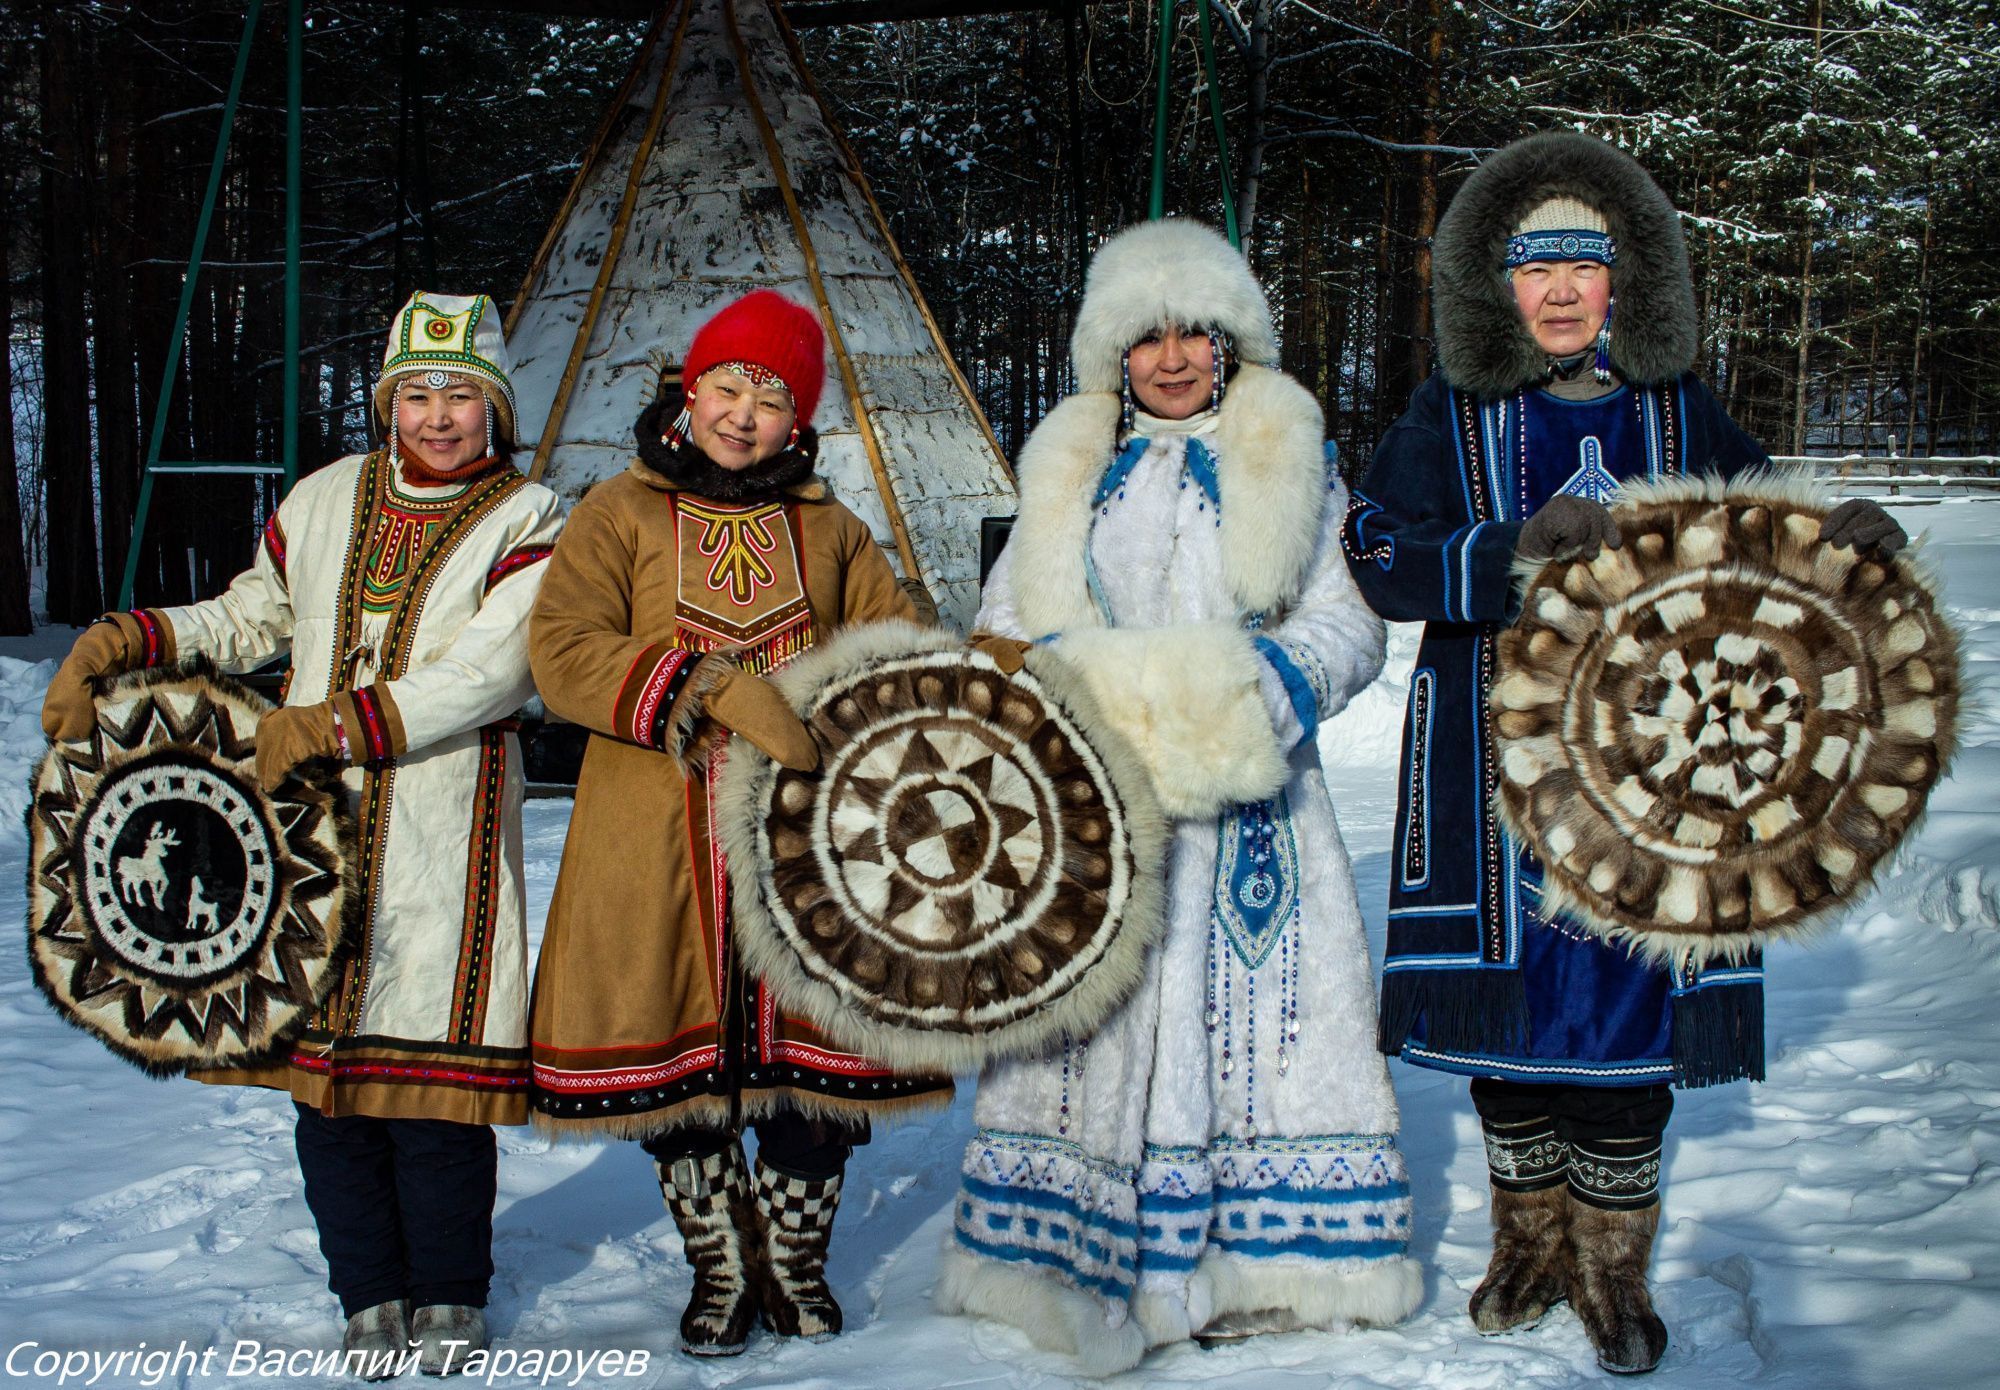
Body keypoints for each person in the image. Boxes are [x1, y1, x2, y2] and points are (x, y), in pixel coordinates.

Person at [1342, 131, 1906, 1374]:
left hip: (1652, 788)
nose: (1554, 291)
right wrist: (1500, 553)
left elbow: (1766, 538)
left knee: (1623, 1032)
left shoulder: (1677, 408)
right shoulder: (1451, 412)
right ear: (1497, 286)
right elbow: (1377, 550)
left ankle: (1611, 1274)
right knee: (1515, 1034)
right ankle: (1524, 1247)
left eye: (1580, 268)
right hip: (1490, 780)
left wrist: (1839, 543)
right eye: (1533, 267)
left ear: (1622, 285)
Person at [40, 292, 564, 1375]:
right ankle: (367, 1291)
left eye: (460, 394)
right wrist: (129, 635)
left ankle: (451, 1295)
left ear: (495, 410)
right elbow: (252, 615)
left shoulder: (532, 520)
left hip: (440, 827)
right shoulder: (324, 500)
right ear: (386, 402)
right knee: (326, 1091)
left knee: (430, 1088)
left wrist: (337, 720)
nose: (436, 416)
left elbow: (492, 669)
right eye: (415, 393)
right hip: (310, 834)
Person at [934, 219, 1419, 1374]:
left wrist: (1256, 691)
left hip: (1250, 806)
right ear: (1113, 350)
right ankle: (1067, 1259)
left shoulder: (1286, 449)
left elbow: (1345, 623)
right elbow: (1000, 625)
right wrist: (1061, 689)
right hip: (1095, 802)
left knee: (1266, 1030)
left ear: (1226, 340)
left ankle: (1266, 1266)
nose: (1168, 357)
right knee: (1090, 1033)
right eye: (1143, 337)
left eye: (1189, 333)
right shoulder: (1065, 465)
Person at [525, 289, 952, 1357]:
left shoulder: (830, 527)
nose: (744, 411)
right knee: (672, 1061)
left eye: (771, 395)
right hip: (650, 831)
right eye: (728, 384)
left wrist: (844, 695)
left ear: (798, 422)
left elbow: (898, 642)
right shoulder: (615, 513)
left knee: (816, 1062)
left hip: (803, 840)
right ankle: (721, 1263)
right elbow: (562, 646)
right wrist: (698, 683)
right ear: (689, 388)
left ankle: (794, 1256)